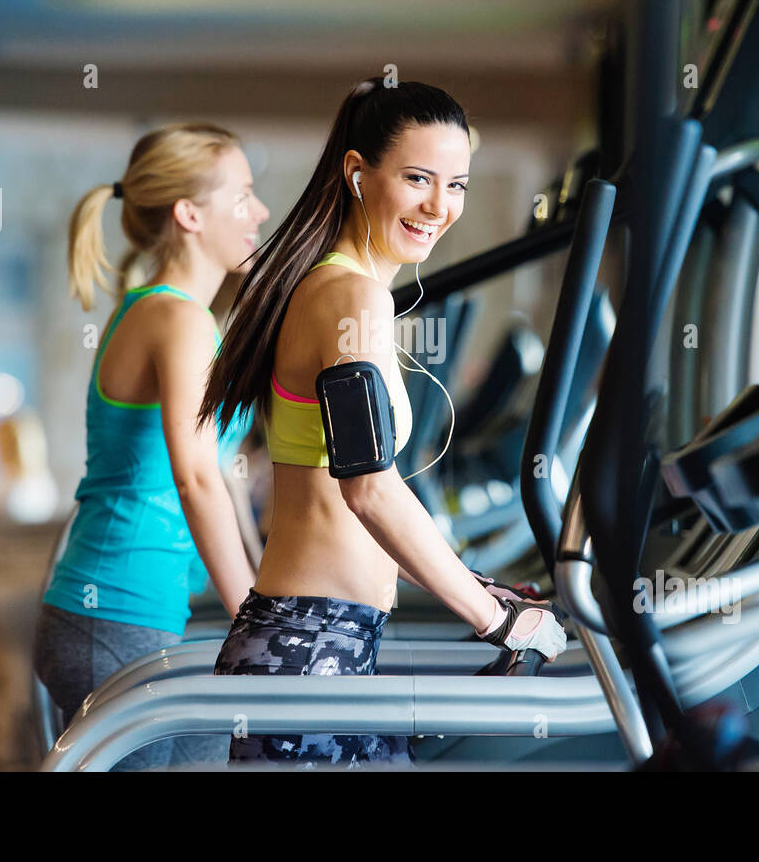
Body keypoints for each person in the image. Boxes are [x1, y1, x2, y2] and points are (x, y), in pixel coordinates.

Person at [201, 79, 566, 769]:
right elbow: (368, 488)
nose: (440, 205)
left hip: (324, 641)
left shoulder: (337, 286)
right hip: (309, 649)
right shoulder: (351, 297)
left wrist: (476, 585)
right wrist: (498, 621)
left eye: (456, 183)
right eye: (418, 178)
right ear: (358, 173)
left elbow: (368, 501)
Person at [33, 122, 269, 769]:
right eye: (243, 195)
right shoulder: (176, 318)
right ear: (189, 213)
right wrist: (255, 619)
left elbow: (216, 474)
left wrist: (261, 596)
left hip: (126, 614)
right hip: (113, 613)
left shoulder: (176, 314)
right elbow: (194, 477)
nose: (261, 211)